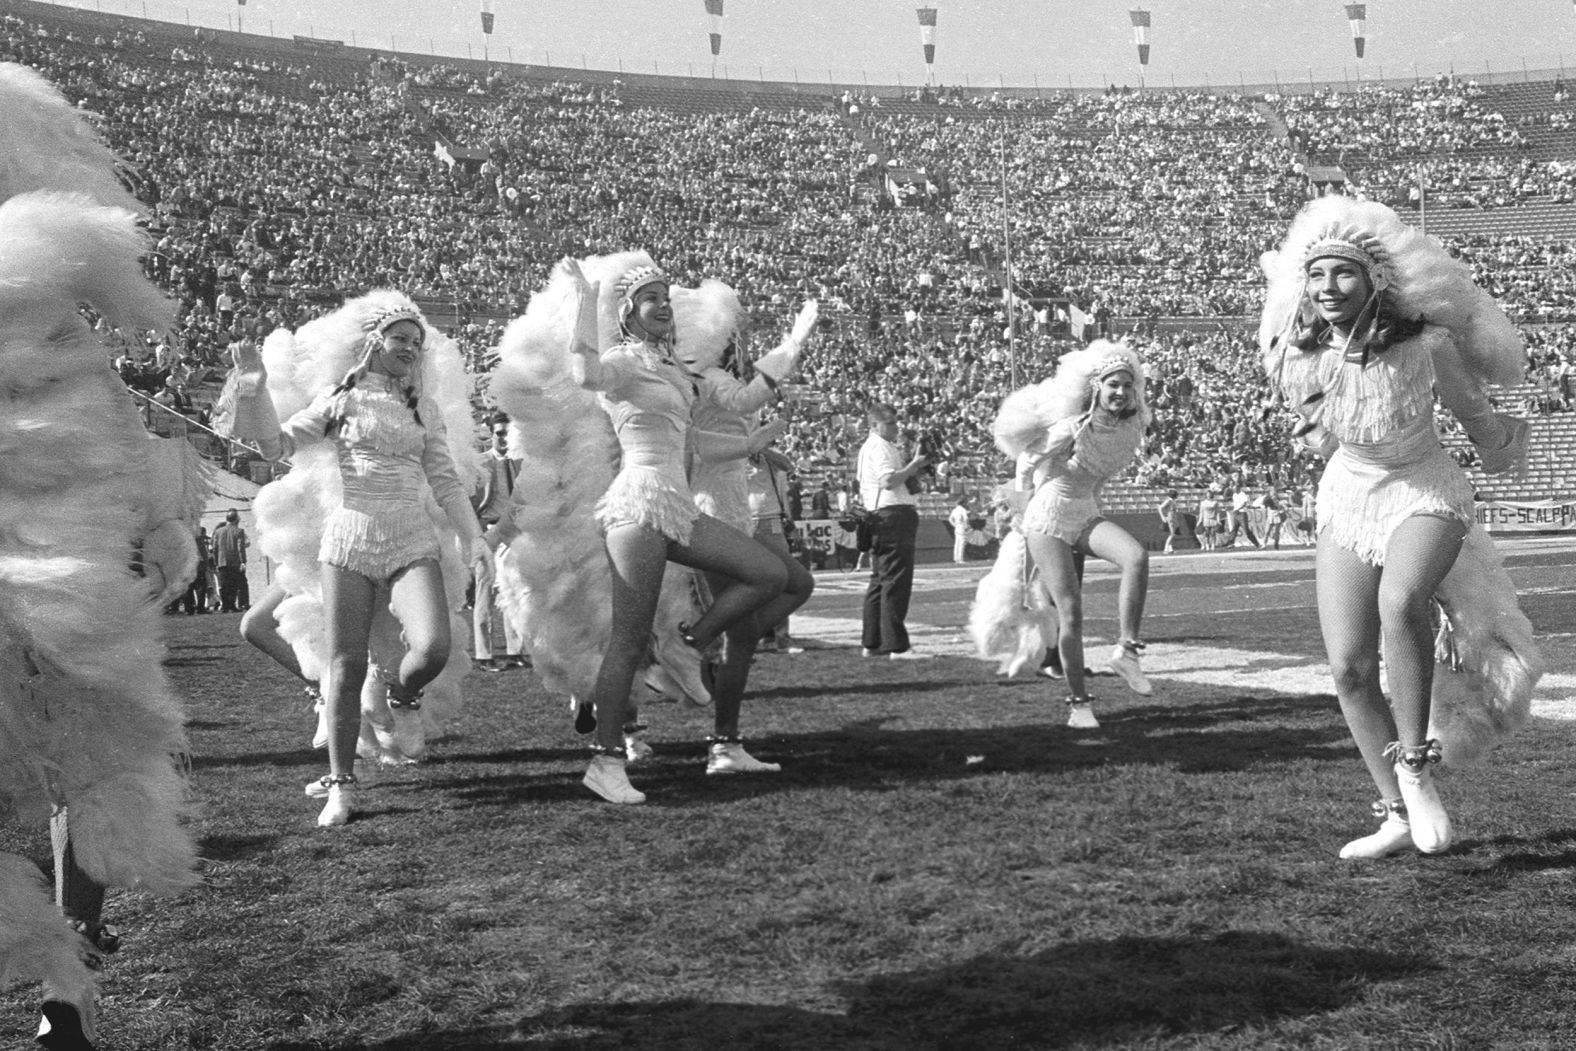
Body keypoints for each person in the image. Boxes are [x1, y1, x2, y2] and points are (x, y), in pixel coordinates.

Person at [0, 62, 202, 1051]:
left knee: (80, 756)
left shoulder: (54, 308)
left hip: (59, 566)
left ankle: (68, 982)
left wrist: (158, 521)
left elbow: (112, 421)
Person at [1260, 195, 1543, 860]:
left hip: (1426, 488)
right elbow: (1318, 428)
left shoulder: (1426, 344)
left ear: (1376, 279)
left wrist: (1506, 447)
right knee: (1349, 667)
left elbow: (1477, 417)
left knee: (1401, 599)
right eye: (1319, 275)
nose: (1330, 288)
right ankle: (1391, 809)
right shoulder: (1297, 355)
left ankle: (1415, 767)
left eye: (1345, 274)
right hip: (1350, 494)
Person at [496, 253, 814, 804]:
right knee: (627, 641)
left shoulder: (674, 371)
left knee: (766, 574)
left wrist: (790, 356)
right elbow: (584, 374)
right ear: (629, 313)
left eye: (667, 299)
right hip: (637, 509)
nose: (664, 307)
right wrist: (586, 302)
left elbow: (704, 433)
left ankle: (688, 643)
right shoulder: (622, 361)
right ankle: (606, 761)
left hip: (677, 508)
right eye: (652, 300)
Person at [230, 291, 491, 827]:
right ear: (374, 342)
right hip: (349, 540)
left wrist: (474, 537)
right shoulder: (338, 399)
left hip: (411, 539)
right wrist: (253, 390)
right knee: (344, 668)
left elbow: (444, 480)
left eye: (417, 343)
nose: (409, 349)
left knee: (434, 647)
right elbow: (274, 447)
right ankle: (341, 786)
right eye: (400, 338)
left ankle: (401, 694)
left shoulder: (424, 408)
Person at [674, 279, 817, 769]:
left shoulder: (701, 378)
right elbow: (745, 401)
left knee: (794, 587)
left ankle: (724, 734)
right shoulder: (708, 376)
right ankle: (693, 652)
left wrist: (759, 444)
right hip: (716, 506)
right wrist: (793, 344)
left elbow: (731, 425)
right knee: (752, 623)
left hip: (734, 502)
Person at [993, 341, 1156, 729]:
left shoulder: (1127, 430)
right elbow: (1027, 460)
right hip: (1046, 517)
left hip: (1083, 513)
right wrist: (1022, 507)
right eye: (1112, 385)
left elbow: (1096, 478)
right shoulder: (1072, 427)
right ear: (1096, 388)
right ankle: (1079, 705)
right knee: (1071, 612)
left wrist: (1091, 507)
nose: (1120, 392)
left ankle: (1127, 650)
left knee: (1135, 556)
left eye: (1126, 386)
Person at [857, 401, 929, 659]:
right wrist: (914, 466)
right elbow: (888, 481)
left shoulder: (873, 447)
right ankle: (896, 644)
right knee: (895, 581)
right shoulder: (880, 447)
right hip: (892, 514)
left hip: (879, 515)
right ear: (874, 425)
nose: (895, 427)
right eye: (889, 423)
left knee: (879, 580)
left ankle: (873, 641)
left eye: (896, 422)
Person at [472, 413, 528, 673]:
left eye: (508, 433)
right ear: (491, 434)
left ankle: (515, 650)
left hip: (514, 532)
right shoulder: (481, 463)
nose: (504, 438)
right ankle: (484, 655)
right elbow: (470, 500)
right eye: (499, 433)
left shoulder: (520, 462)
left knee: (512, 590)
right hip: (487, 530)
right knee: (484, 591)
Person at [211, 509, 248, 611]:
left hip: (221, 561)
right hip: (234, 561)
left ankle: (225, 606)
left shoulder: (218, 531)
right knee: (233, 584)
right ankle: (231, 605)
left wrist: (216, 561)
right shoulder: (239, 531)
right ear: (236, 519)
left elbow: (214, 547)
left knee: (223, 584)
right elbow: (240, 547)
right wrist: (243, 561)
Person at [1196, 487, 1222, 551]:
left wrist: (1218, 520)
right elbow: (1201, 512)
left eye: (1209, 494)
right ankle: (1207, 545)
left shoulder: (1215, 502)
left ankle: (1213, 545)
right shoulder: (1203, 503)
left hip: (1213, 519)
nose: (1208, 495)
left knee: (1213, 533)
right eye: (1207, 494)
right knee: (1206, 533)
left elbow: (1217, 512)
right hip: (1206, 519)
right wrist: (1200, 520)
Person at [949, 494, 973, 564]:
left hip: (957, 526)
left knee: (957, 543)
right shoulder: (963, 510)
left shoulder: (955, 510)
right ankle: (960, 559)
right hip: (961, 525)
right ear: (963, 503)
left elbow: (950, 519)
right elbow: (966, 518)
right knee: (962, 542)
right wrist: (966, 526)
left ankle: (956, 558)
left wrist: (954, 525)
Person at [1156, 488, 1181, 554]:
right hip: (1171, 517)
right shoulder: (1169, 501)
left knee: (1172, 534)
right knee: (1172, 534)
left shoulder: (1172, 501)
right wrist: (1163, 517)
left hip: (1174, 517)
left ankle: (1170, 549)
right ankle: (1166, 548)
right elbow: (1160, 508)